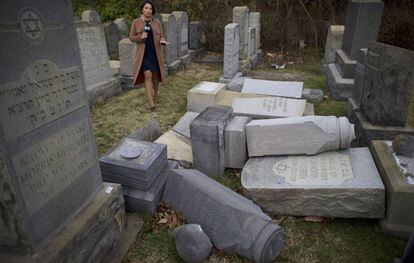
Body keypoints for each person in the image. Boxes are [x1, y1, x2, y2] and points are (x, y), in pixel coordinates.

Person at [129, 1, 167, 111]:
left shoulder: (157, 23)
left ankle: (155, 96)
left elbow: (162, 36)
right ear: (142, 10)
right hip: (143, 55)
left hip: (155, 53)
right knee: (148, 75)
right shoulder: (136, 22)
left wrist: (162, 40)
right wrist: (140, 37)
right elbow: (131, 37)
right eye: (146, 8)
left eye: (150, 8)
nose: (148, 10)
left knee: (155, 77)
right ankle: (151, 103)